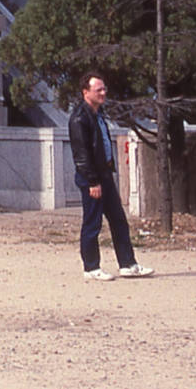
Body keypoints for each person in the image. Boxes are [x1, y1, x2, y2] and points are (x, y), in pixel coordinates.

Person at [68, 73, 151, 281]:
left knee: (118, 220)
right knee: (92, 222)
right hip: (92, 179)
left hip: (105, 174)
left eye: (104, 89)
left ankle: (128, 264)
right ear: (85, 92)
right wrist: (92, 181)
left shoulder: (99, 114)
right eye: (99, 90)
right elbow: (81, 154)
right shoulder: (79, 118)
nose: (104, 93)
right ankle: (91, 267)